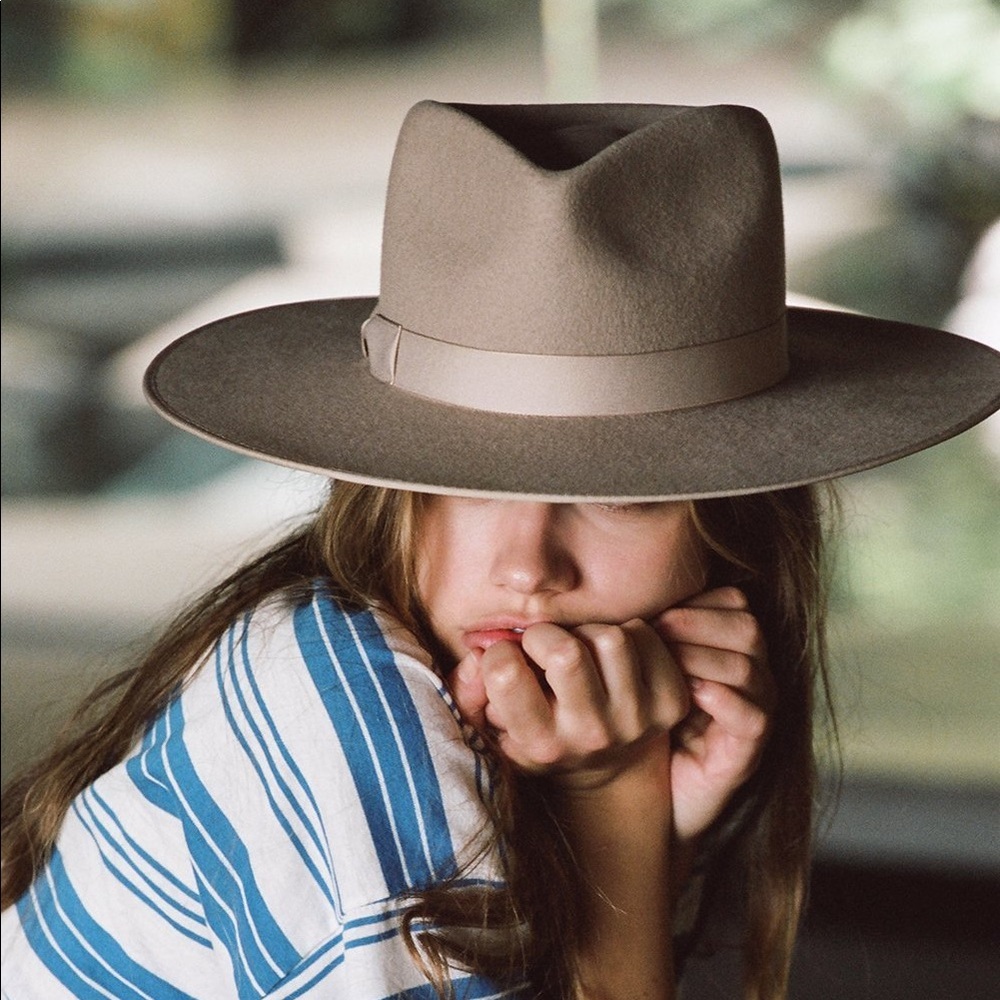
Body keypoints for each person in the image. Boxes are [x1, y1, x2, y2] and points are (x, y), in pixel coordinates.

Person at [2, 101, 998, 1000]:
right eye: (466, 480)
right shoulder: (342, 710)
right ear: (390, 488)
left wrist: (649, 834)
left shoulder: (395, 682)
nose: (529, 565)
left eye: (620, 499)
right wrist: (614, 812)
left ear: (731, 539)